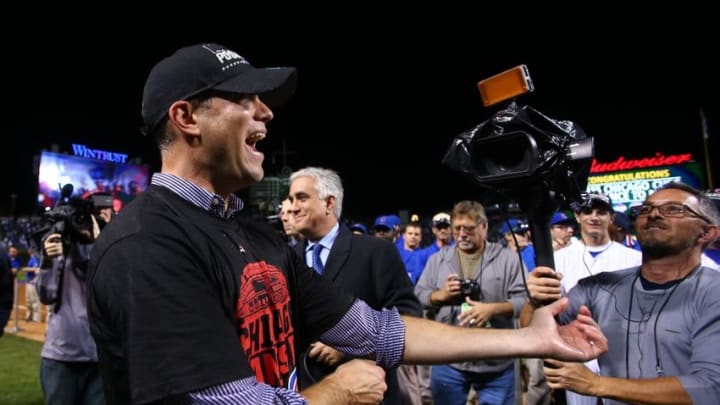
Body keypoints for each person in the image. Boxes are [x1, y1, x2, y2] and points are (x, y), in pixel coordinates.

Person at [86, 42, 608, 405]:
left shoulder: (254, 232)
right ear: (187, 118)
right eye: (245, 99)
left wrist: (535, 341)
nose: (265, 112)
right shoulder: (146, 245)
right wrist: (338, 392)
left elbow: (375, 331)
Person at [527, 181, 720, 404]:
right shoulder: (598, 287)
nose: (654, 214)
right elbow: (534, 331)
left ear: (706, 232)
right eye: (645, 209)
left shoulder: (713, 291)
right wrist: (537, 301)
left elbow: (711, 388)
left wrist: (596, 384)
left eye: (673, 209)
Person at [287, 166, 423, 404]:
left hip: (368, 392)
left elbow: (408, 316)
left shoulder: (377, 252)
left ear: (329, 203)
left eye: (301, 197)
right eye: (290, 199)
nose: (292, 206)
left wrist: (347, 347)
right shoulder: (286, 258)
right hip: (309, 394)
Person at [523, 192, 642, 405]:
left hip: (623, 354)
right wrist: (534, 300)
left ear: (611, 218)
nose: (594, 217)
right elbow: (531, 317)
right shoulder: (556, 259)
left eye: (601, 212)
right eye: (587, 211)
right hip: (575, 354)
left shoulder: (634, 258)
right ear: (578, 217)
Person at [415, 200, 528, 405]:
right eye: (457, 228)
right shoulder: (438, 260)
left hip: (496, 361)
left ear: (484, 227)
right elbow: (419, 296)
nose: (461, 234)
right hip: (448, 359)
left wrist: (493, 310)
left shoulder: (508, 259)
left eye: (468, 228)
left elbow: (525, 302)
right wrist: (441, 296)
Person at [39, 194, 114, 404]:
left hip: (102, 357)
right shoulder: (62, 245)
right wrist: (48, 261)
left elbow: (113, 295)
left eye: (105, 211)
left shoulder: (118, 248)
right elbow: (46, 296)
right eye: (95, 212)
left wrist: (98, 246)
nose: (100, 217)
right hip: (63, 357)